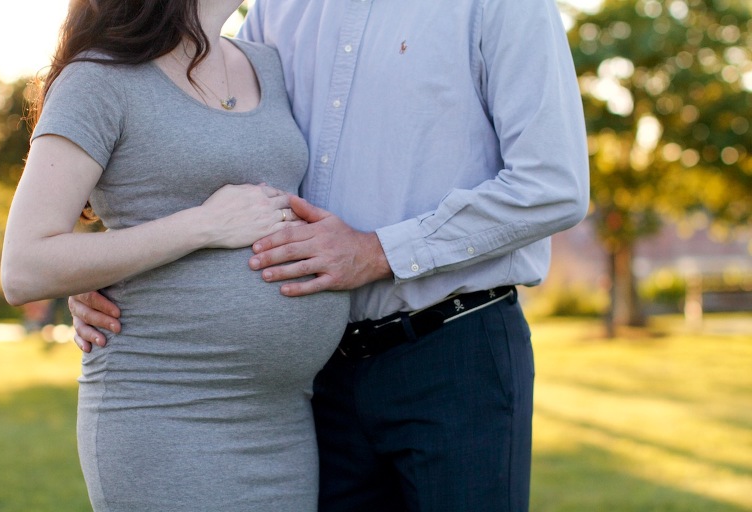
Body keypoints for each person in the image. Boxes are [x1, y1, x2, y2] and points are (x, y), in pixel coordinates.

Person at [70, 0, 590, 510]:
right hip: (315, 385)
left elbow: (552, 184)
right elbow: (212, 144)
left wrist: (377, 252)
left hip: (454, 358)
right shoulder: (274, 10)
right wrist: (110, 260)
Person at [1, 0, 350, 510]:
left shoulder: (268, 64)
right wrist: (202, 225)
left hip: (283, 418)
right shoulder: (98, 78)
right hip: (165, 408)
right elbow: (25, 267)